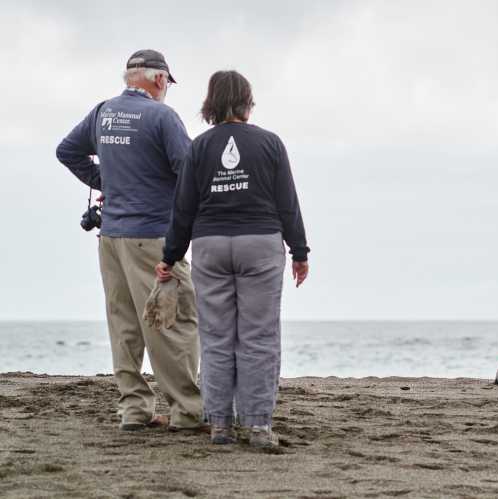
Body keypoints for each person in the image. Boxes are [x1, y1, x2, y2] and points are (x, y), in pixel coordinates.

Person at [155, 70, 310, 449]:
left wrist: (170, 256)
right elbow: (287, 203)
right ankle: (258, 426)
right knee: (258, 336)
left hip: (210, 245)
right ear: (247, 101)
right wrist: (299, 251)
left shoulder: (200, 147)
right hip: (260, 243)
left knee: (217, 336)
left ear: (211, 103)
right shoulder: (270, 143)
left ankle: (221, 425)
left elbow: (183, 208)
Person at [56, 50, 203, 432]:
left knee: (124, 325)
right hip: (152, 236)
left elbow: (66, 151)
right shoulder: (162, 116)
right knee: (172, 321)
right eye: (168, 83)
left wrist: (106, 182)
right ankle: (187, 412)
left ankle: (134, 411)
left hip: (111, 238)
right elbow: (188, 171)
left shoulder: (103, 111)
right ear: (159, 80)